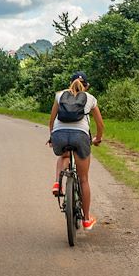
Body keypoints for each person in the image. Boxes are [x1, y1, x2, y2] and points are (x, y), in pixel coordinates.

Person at [47, 71, 104, 231]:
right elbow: (100, 125)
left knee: (64, 155)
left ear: (70, 83)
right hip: (81, 137)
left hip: (59, 135)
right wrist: (98, 139)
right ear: (86, 86)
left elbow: (51, 120)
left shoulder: (60, 95)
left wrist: (52, 137)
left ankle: (58, 183)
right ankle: (86, 219)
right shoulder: (91, 98)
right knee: (84, 179)